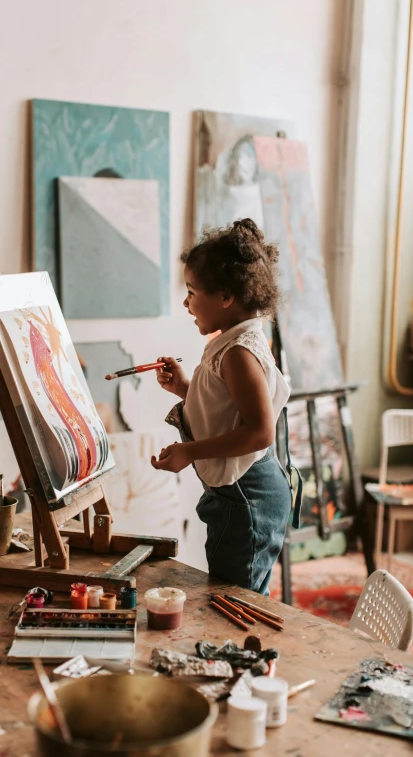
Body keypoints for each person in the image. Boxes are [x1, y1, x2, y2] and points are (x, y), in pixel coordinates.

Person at [151, 218, 301, 595]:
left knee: (235, 601)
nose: (186, 303)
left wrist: (189, 450)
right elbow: (227, 410)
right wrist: (186, 389)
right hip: (241, 496)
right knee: (237, 595)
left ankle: (242, 655)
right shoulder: (233, 343)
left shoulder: (238, 353)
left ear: (226, 297)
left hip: (247, 499)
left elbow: (260, 431)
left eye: (191, 292)